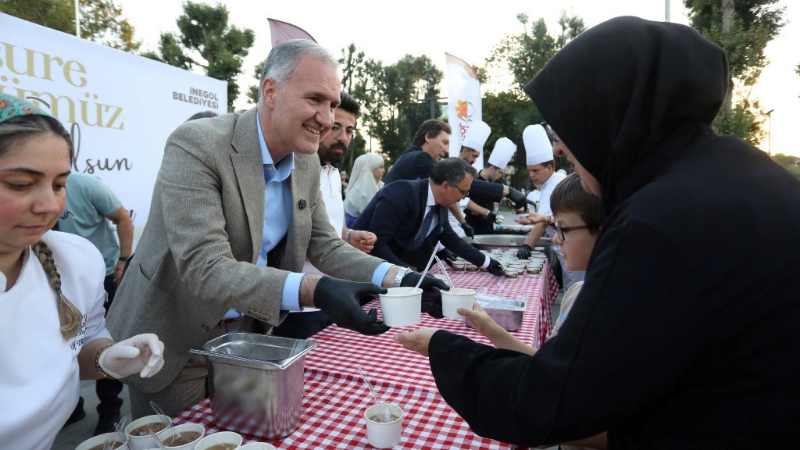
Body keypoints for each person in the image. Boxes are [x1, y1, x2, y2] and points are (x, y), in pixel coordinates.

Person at [395, 16, 800, 448]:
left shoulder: (654, 221)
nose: (563, 148)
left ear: (611, 116)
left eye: (569, 128)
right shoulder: (749, 173)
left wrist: (445, 349)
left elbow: (553, 403)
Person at [105, 39, 446, 419]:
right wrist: (316, 289)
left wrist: (403, 278)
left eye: (332, 105)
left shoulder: (307, 163)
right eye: (315, 99)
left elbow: (325, 246)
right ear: (270, 90)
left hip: (246, 340)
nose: (327, 118)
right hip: (170, 341)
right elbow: (205, 267)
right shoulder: (198, 144)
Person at [0, 94, 165, 450]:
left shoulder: (74, 260)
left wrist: (109, 356)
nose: (49, 206)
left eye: (59, 185)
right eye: (19, 184)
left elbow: (81, 347)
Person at [272, 92, 378, 339]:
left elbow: (327, 229)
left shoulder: (332, 173)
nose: (343, 137)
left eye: (350, 131)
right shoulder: (290, 170)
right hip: (294, 303)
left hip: (332, 297)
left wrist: (349, 235)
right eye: (336, 128)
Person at [461, 173, 602, 354]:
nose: (557, 239)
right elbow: (547, 361)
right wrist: (488, 328)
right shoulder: (575, 294)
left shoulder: (602, 307)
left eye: (563, 228)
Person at [57, 171, 134, 434]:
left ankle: (110, 409)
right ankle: (72, 406)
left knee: (102, 340)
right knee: (61, 342)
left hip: (101, 275)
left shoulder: (86, 186)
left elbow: (123, 219)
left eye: (56, 185)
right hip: (55, 277)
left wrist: (123, 259)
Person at [353, 158, 503, 275]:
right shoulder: (400, 193)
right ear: (445, 187)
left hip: (398, 270)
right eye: (463, 192)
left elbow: (451, 239)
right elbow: (377, 244)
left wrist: (487, 263)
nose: (464, 198)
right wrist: (409, 274)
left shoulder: (441, 206)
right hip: (364, 270)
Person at [516, 124, 585, 292]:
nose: (532, 175)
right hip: (566, 245)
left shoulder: (555, 184)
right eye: (529, 171)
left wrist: (526, 246)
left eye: (536, 170)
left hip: (573, 246)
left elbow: (542, 222)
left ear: (549, 167)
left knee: (574, 289)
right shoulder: (547, 184)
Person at [464, 137, 517, 235]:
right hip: (475, 228)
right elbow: (466, 206)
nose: (500, 175)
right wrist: (485, 213)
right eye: (500, 172)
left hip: (491, 228)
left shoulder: (497, 181)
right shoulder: (474, 181)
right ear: (492, 168)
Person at [344, 152, 385, 228]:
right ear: (372, 168)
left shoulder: (380, 185)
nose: (383, 171)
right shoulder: (359, 191)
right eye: (381, 167)